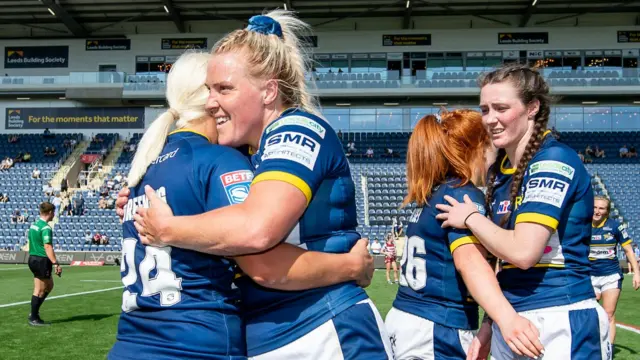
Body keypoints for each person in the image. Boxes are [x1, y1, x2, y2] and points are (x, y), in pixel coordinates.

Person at [120, 10, 392, 359]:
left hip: (323, 325)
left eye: (224, 89)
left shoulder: (296, 130)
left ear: (269, 91)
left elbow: (257, 231)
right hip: (271, 335)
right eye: (209, 90)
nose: (212, 102)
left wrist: (168, 228)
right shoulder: (243, 151)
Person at [435, 64, 611, 359]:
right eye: (485, 109)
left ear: (532, 108)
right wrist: (491, 323)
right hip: (514, 320)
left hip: (559, 316)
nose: (490, 119)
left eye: (501, 108)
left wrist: (471, 217)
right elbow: (504, 263)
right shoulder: (499, 172)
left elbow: (524, 253)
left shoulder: (553, 159)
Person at [386, 110, 543, 360]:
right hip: (437, 325)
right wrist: (507, 318)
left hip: (408, 319)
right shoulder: (462, 194)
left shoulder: (432, 193)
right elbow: (469, 261)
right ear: (476, 148)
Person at [590, 195, 640, 345]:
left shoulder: (614, 226)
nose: (597, 211)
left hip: (610, 275)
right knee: (590, 313)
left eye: (601, 208)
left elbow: (628, 250)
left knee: (609, 314)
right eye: (595, 207)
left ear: (606, 211)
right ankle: (591, 345)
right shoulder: (582, 225)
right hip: (588, 275)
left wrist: (637, 272)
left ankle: (608, 350)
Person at [27, 202, 61, 326]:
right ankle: (34, 317)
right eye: (54, 212)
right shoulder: (46, 228)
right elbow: (47, 246)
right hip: (41, 259)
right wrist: (55, 263)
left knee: (49, 285)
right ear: (50, 212)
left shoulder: (33, 225)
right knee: (39, 290)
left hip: (33, 258)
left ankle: (34, 312)